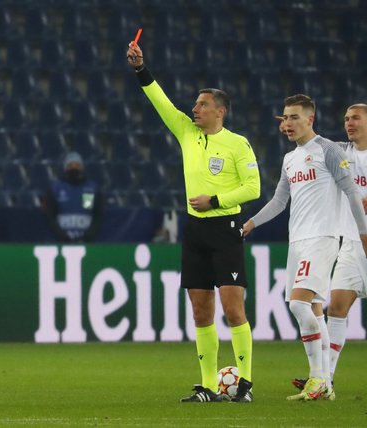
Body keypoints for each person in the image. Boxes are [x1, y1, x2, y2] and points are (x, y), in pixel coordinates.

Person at [127, 42, 260, 403]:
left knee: (234, 309)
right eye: (195, 104)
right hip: (196, 230)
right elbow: (161, 102)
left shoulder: (237, 145)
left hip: (226, 229)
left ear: (220, 111)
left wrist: (215, 200)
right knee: (201, 310)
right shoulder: (187, 132)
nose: (194, 109)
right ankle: (209, 386)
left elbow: (254, 187)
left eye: (201, 105)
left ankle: (244, 382)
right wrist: (141, 69)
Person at [242, 94, 367, 402]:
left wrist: (365, 234)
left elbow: (351, 192)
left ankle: (319, 377)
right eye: (285, 118)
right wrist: (251, 223)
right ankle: (325, 382)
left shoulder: (327, 150)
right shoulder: (290, 159)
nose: (287, 123)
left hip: (323, 237)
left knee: (298, 305)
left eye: (294, 117)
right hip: (298, 242)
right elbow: (280, 201)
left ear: (310, 119)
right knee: (314, 310)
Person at [291, 104, 367, 394]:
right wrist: (293, 123)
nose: (349, 123)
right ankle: (326, 377)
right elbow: (314, 140)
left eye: (355, 118)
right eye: (346, 118)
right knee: (336, 307)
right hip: (350, 243)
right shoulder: (339, 150)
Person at [43, 151, 104, 242]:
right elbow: (50, 216)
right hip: (61, 241)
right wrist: (62, 236)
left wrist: (87, 237)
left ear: (82, 168)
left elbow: (98, 215)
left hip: (86, 242)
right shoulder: (55, 189)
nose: (74, 168)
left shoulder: (91, 189)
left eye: (77, 165)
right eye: (70, 165)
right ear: (65, 168)